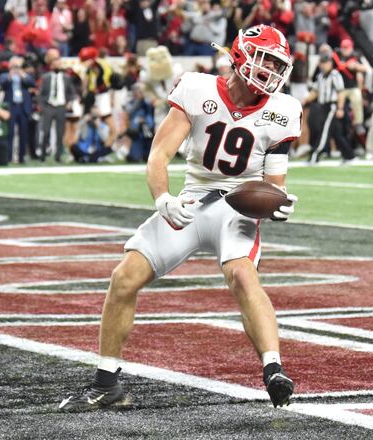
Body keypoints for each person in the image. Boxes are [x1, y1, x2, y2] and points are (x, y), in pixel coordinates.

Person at [59, 24, 300, 411]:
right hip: (191, 198)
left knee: (241, 274)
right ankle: (107, 384)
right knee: (124, 277)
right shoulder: (197, 88)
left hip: (236, 206)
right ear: (240, 56)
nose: (271, 70)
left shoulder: (284, 110)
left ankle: (274, 369)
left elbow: (273, 184)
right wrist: (163, 199)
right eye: (265, 59)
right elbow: (159, 154)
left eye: (277, 63)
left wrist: (278, 204)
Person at [304, 52, 355, 164]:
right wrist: (304, 100)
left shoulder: (335, 75)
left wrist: (340, 108)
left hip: (332, 106)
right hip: (322, 106)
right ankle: (349, 155)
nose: (323, 65)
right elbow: (315, 92)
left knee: (324, 131)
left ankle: (315, 155)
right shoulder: (320, 76)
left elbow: (340, 92)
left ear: (330, 63)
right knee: (336, 133)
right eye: (321, 63)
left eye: (325, 63)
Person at [38, 51, 75, 162]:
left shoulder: (66, 78)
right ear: (51, 65)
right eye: (55, 64)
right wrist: (43, 107)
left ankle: (58, 156)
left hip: (60, 107)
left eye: (59, 63)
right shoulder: (46, 77)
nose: (58, 66)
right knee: (46, 132)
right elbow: (41, 93)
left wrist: (70, 102)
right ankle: (43, 155)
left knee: (60, 133)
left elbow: (71, 92)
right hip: (49, 106)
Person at [0, 56, 35, 163]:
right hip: (11, 106)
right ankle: (8, 156)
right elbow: (2, 85)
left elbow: (32, 84)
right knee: (9, 133)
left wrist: (22, 74)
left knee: (23, 133)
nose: (16, 68)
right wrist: (10, 76)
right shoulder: (4, 76)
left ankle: (21, 157)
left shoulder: (25, 76)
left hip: (23, 107)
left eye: (18, 66)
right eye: (14, 66)